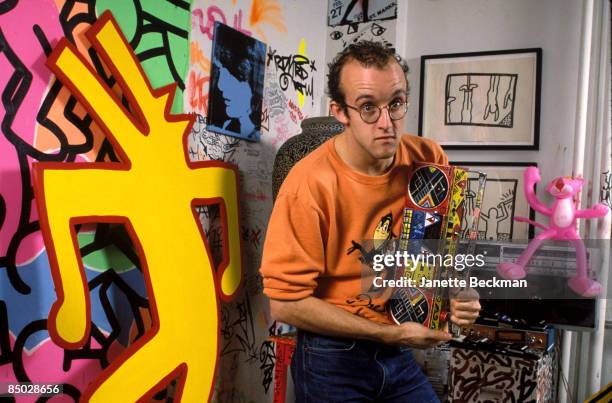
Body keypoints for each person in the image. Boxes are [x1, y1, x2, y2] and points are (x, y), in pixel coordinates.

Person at [260, 41, 481, 402]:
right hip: (332, 358)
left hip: (400, 352)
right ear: (340, 113)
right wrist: (388, 335)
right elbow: (286, 304)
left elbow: (437, 254)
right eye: (367, 108)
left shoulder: (429, 158)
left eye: (395, 103)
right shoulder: (308, 185)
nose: (386, 123)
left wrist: (458, 294)